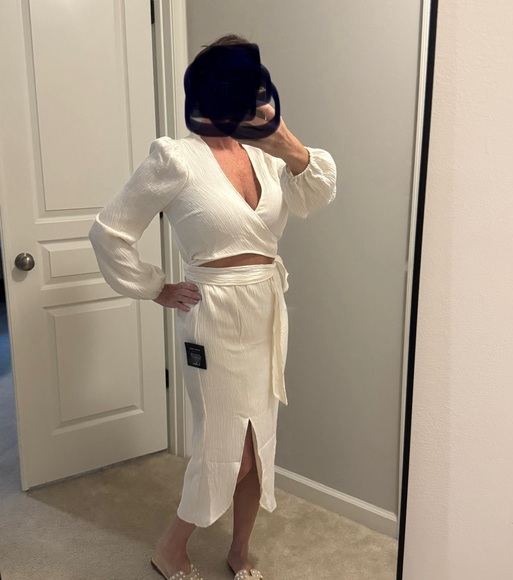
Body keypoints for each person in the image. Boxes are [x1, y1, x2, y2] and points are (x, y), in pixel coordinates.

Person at [89, 34, 336, 580]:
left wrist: (282, 139)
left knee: (259, 442)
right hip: (213, 319)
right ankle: (170, 548)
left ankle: (239, 552)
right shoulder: (176, 158)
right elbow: (109, 232)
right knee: (226, 447)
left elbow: (313, 194)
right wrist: (155, 287)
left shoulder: (265, 155)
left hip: (266, 309)